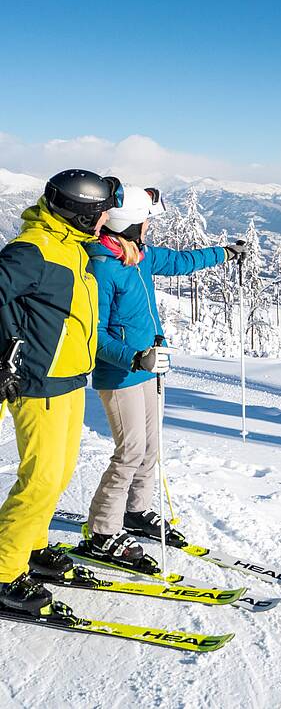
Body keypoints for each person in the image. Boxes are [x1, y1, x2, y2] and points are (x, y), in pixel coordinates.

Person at [82, 185, 247, 567]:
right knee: (130, 452)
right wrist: (136, 358)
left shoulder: (139, 257)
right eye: (143, 223)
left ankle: (135, 512)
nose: (147, 229)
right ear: (129, 227)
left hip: (149, 368)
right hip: (120, 375)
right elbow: (95, 336)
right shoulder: (102, 268)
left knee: (150, 449)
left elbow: (181, 261)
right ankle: (103, 531)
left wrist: (224, 253)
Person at [0, 170, 123, 613]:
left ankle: (31, 549)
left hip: (70, 379)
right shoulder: (32, 251)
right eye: (101, 212)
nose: (107, 218)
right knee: (41, 479)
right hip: (38, 384)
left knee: (58, 475)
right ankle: (3, 572)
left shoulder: (71, 245)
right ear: (79, 213)